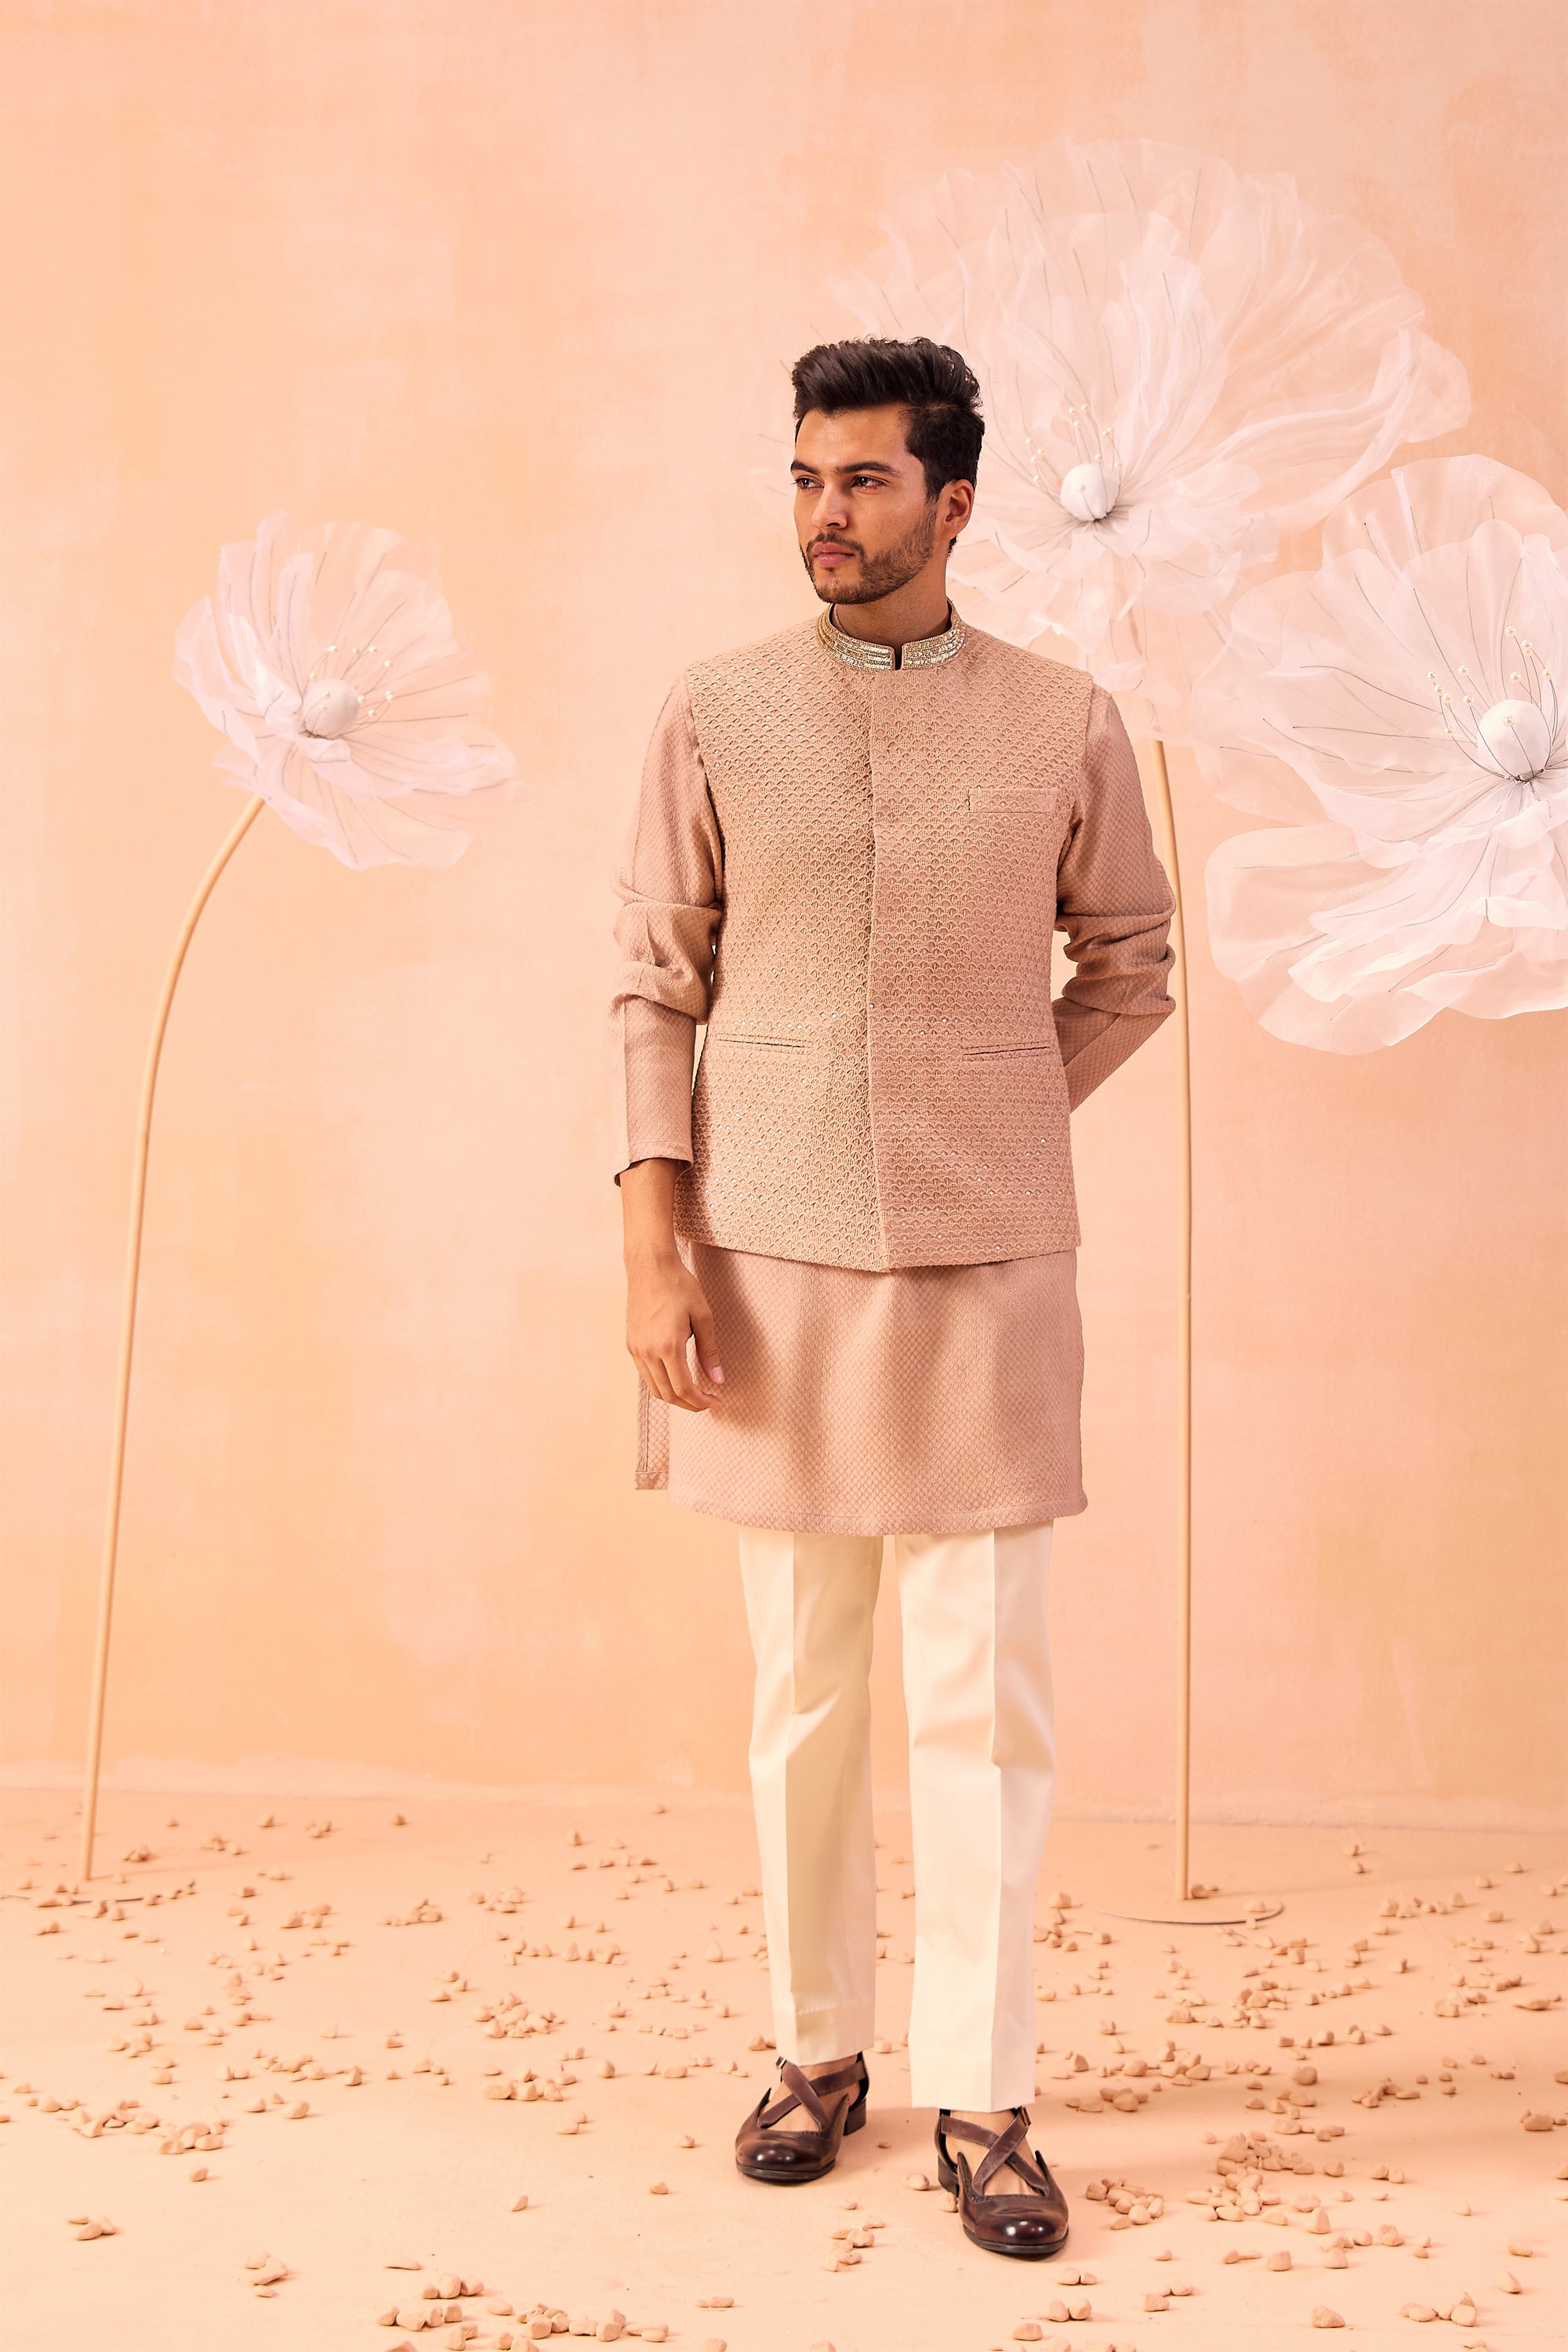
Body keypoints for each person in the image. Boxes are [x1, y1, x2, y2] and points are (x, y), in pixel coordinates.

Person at [609, 336, 1174, 2259]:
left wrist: (992, 1108)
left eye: (860, 480)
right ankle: (816, 2051)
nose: (823, 514)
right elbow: (651, 983)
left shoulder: (1062, 717)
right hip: (764, 1258)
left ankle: (987, 2097)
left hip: (987, 1259)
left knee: (982, 1694)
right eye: (803, 476)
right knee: (802, 1691)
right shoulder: (714, 711)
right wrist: (652, 1239)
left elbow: (1131, 960)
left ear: (953, 503)